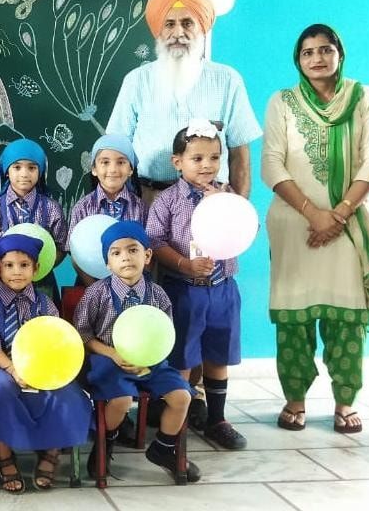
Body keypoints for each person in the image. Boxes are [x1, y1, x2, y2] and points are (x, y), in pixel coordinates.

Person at [261, 24, 369, 434]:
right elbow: (271, 163)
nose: (317, 58)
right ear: (298, 60)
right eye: (308, 52)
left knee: (347, 317)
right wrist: (314, 214)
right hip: (295, 224)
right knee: (293, 317)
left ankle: (345, 401)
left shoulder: (364, 98)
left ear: (339, 54)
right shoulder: (282, 101)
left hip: (350, 224)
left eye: (325, 49)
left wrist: (340, 213)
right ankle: (294, 399)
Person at [106, 0, 261, 204]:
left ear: (202, 29)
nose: (178, 32)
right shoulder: (136, 81)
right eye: (169, 24)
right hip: (149, 199)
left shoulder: (228, 79)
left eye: (187, 23)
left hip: (210, 202)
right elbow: (115, 148)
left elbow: (240, 158)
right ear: (158, 31)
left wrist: (238, 210)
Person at [145, 120, 247, 450]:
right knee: (184, 357)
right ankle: (178, 423)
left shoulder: (227, 195)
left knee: (219, 353)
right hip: (184, 290)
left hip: (223, 288)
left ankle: (217, 419)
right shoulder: (167, 200)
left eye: (214, 158)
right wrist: (184, 264)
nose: (207, 165)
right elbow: (155, 241)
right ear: (178, 162)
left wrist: (225, 206)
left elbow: (248, 229)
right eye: (197, 158)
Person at [74, 221, 199, 483]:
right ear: (107, 263)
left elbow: (165, 334)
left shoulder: (158, 295)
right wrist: (112, 354)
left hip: (151, 363)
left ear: (148, 255)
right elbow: (83, 334)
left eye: (133, 250)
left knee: (182, 397)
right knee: (120, 400)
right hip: (108, 360)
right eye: (116, 253)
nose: (126, 258)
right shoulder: (97, 294)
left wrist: (151, 359)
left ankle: (163, 448)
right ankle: (105, 442)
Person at [0, 233, 89, 492]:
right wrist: (13, 369)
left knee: (67, 393)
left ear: (36, 269)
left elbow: (56, 339)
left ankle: (51, 451)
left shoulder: (46, 304)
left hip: (43, 364)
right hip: (3, 365)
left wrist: (44, 370)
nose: (17, 271)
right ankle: (4, 455)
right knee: (2, 391)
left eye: (24, 265)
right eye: (9, 265)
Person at [0, 138, 66, 298]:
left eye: (32, 168)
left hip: (42, 283)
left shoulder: (52, 208)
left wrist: (39, 270)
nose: (24, 174)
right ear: (6, 171)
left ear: (40, 171)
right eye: (17, 167)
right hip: (3, 283)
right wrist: (5, 271)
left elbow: (61, 247)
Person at [67, 133, 146, 286]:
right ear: (94, 169)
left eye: (121, 162)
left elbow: (146, 251)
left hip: (133, 285)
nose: (113, 169)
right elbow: (76, 254)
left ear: (130, 169)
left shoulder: (140, 208)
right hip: (89, 284)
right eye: (105, 162)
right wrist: (96, 289)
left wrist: (130, 286)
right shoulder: (82, 208)